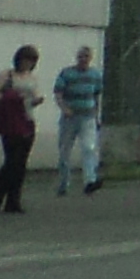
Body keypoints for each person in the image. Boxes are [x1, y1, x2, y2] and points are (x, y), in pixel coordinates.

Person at [0, 44, 44, 215]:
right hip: (10, 122)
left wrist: (36, 101)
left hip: (27, 120)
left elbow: (34, 97)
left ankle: (13, 201)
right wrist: (12, 97)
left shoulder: (32, 78)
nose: (28, 64)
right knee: (11, 162)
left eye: (31, 61)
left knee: (21, 164)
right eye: (25, 60)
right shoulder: (7, 75)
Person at [52, 44, 107, 195]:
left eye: (86, 57)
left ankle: (90, 180)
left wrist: (96, 115)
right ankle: (63, 183)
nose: (83, 60)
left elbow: (96, 96)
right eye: (81, 57)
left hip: (87, 117)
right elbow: (58, 93)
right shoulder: (67, 73)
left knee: (89, 148)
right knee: (65, 151)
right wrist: (64, 108)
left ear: (90, 59)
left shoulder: (95, 75)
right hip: (70, 117)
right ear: (77, 58)